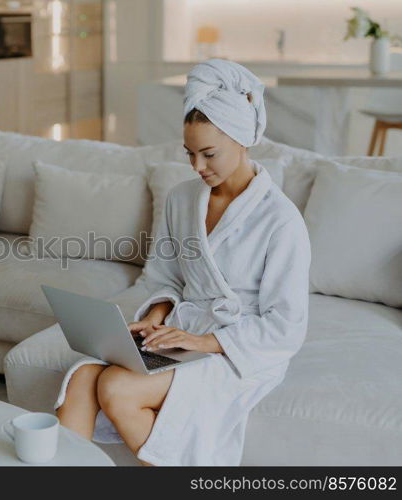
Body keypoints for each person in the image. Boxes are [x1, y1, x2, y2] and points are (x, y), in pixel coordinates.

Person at [53, 58, 311, 466]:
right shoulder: (182, 199)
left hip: (237, 347)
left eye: (209, 154)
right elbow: (165, 275)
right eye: (189, 154)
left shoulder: (280, 220)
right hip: (181, 332)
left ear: (242, 139)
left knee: (117, 388)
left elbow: (286, 325)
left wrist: (206, 342)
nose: (197, 167)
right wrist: (157, 317)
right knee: (83, 378)